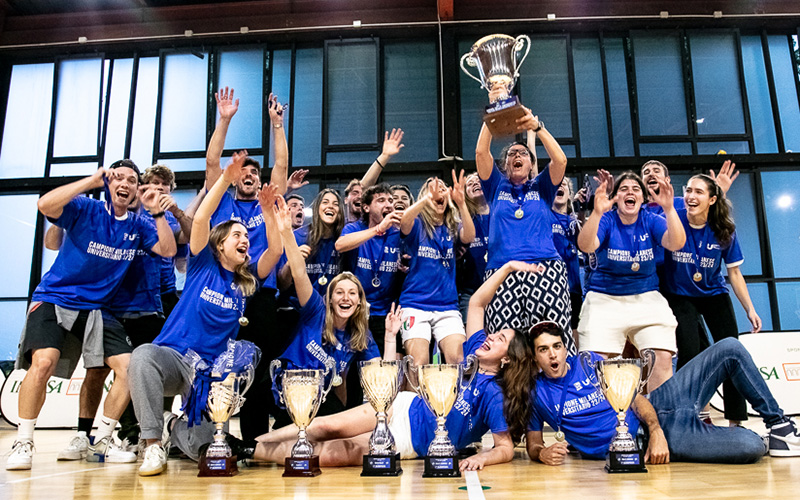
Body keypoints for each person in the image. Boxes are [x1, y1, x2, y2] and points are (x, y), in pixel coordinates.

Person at [254, 260, 538, 471]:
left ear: (507, 359)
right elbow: (476, 303)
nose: (489, 337)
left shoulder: (493, 394)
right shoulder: (474, 350)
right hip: (402, 406)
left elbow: (505, 448)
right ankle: (254, 442)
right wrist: (508, 268)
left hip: (410, 440)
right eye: (493, 333)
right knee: (327, 426)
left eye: (499, 339)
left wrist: (482, 457)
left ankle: (252, 452)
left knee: (335, 455)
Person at [6, 160, 176, 471]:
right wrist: (91, 180)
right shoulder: (86, 208)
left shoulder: (139, 225)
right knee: (44, 362)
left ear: (138, 189)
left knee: (129, 367)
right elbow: (45, 204)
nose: (124, 183)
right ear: (108, 184)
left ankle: (102, 441)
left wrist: (159, 212)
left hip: (98, 308)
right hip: (54, 298)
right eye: (117, 178)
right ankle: (24, 441)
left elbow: (168, 251)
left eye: (131, 180)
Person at [128, 151, 282, 476]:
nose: (244, 240)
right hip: (175, 358)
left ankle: (175, 430)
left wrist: (268, 213)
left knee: (210, 449)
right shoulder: (202, 264)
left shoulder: (248, 281)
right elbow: (200, 220)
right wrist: (226, 177)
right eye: (236, 235)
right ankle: (152, 444)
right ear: (219, 245)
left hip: (210, 376)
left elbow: (276, 251)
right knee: (142, 356)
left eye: (246, 236)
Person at [527, 323, 800, 465]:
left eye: (557, 346)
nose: (553, 354)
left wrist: (656, 430)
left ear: (566, 348)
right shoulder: (537, 394)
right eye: (543, 349)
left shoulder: (588, 362)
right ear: (535, 356)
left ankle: (779, 426)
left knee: (730, 347)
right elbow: (533, 444)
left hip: (659, 408)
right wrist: (542, 454)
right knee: (749, 447)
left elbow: (634, 398)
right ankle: (764, 441)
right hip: (651, 445)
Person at [205, 87, 288, 442]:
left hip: (261, 293)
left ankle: (254, 439)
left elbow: (281, 166)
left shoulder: (267, 203)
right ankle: (207, 435)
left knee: (258, 366)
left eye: (255, 171)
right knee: (213, 363)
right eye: (244, 171)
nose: (250, 174)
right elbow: (211, 164)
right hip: (221, 291)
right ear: (236, 177)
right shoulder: (222, 204)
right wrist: (224, 120)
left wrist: (277, 125)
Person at [271, 195, 381, 427]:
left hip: (322, 395)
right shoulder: (316, 309)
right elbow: (299, 275)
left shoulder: (360, 334)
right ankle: (257, 446)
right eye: (339, 292)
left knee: (341, 426)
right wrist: (287, 234)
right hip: (294, 387)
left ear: (360, 302)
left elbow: (377, 372)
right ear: (329, 298)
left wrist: (390, 336)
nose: (346, 298)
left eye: (353, 293)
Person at [663, 174, 762, 426]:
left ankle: (736, 421)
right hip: (680, 295)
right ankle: (688, 415)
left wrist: (750, 309)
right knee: (690, 352)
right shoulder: (672, 216)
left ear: (712, 199)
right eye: (688, 191)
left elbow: (735, 273)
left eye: (698, 192)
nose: (691, 197)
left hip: (713, 294)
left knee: (732, 352)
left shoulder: (724, 229)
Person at [576, 171, 685, 390]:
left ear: (643, 198)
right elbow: (586, 246)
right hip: (604, 297)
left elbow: (676, 243)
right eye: (623, 189)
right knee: (596, 362)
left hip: (646, 297)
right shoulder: (607, 219)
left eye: (636, 189)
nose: (630, 192)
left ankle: (660, 419)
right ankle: (605, 420)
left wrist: (669, 208)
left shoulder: (651, 219)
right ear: (615, 198)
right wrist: (596, 213)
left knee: (661, 358)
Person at [475, 103, 572, 346]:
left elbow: (560, 160)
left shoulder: (542, 186)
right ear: (505, 165)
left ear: (531, 164)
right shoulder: (496, 186)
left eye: (523, 154)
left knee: (554, 341)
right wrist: (492, 116)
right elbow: (480, 153)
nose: (517, 156)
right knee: (505, 346)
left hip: (545, 269)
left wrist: (537, 128)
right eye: (512, 154)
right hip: (501, 271)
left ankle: (561, 384)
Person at [398, 173, 475, 366]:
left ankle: (456, 397)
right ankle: (415, 398)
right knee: (418, 363)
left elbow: (469, 237)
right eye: (433, 189)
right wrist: (426, 200)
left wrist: (462, 203)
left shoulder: (452, 227)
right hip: (415, 304)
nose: (438, 192)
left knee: (459, 360)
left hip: (447, 306)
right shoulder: (418, 225)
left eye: (442, 189)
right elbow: (404, 221)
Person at [336, 183, 403, 355]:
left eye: (390, 200)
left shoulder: (398, 234)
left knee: (385, 369)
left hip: (386, 313)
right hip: (356, 312)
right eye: (381, 200)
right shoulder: (354, 228)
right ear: (366, 207)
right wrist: (378, 229)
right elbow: (340, 245)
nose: (388, 204)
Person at [277, 188, 345, 300]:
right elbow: (282, 285)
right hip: (298, 308)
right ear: (317, 208)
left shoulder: (343, 240)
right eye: (325, 202)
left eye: (335, 204)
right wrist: (291, 263)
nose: (330, 206)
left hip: (333, 308)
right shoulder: (298, 237)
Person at [343, 129, 405, 223]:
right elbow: (364, 185)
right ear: (346, 199)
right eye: (355, 192)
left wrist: (385, 156)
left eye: (390, 200)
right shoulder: (339, 223)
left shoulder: (371, 221)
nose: (359, 196)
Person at [456, 172, 490, 322]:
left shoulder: (501, 214)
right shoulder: (461, 220)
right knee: (473, 342)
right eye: (470, 183)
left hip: (503, 290)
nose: (475, 183)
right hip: (471, 291)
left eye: (479, 180)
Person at [550, 178, 583, 331]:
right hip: (550, 286)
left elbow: (584, 244)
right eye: (556, 184)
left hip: (573, 286)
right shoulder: (544, 216)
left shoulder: (575, 221)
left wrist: (580, 209)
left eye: (564, 185)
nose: (560, 185)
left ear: (570, 195)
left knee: (575, 328)